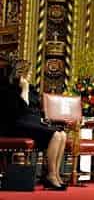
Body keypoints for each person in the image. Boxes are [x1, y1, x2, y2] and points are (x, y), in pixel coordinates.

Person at [0, 60, 67, 190]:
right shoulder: (8, 89)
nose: (30, 76)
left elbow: (35, 109)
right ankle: (50, 175)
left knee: (62, 134)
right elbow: (22, 109)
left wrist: (42, 121)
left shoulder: (31, 89)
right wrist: (24, 89)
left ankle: (56, 174)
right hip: (16, 124)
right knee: (56, 135)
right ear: (20, 74)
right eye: (29, 73)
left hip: (31, 123)